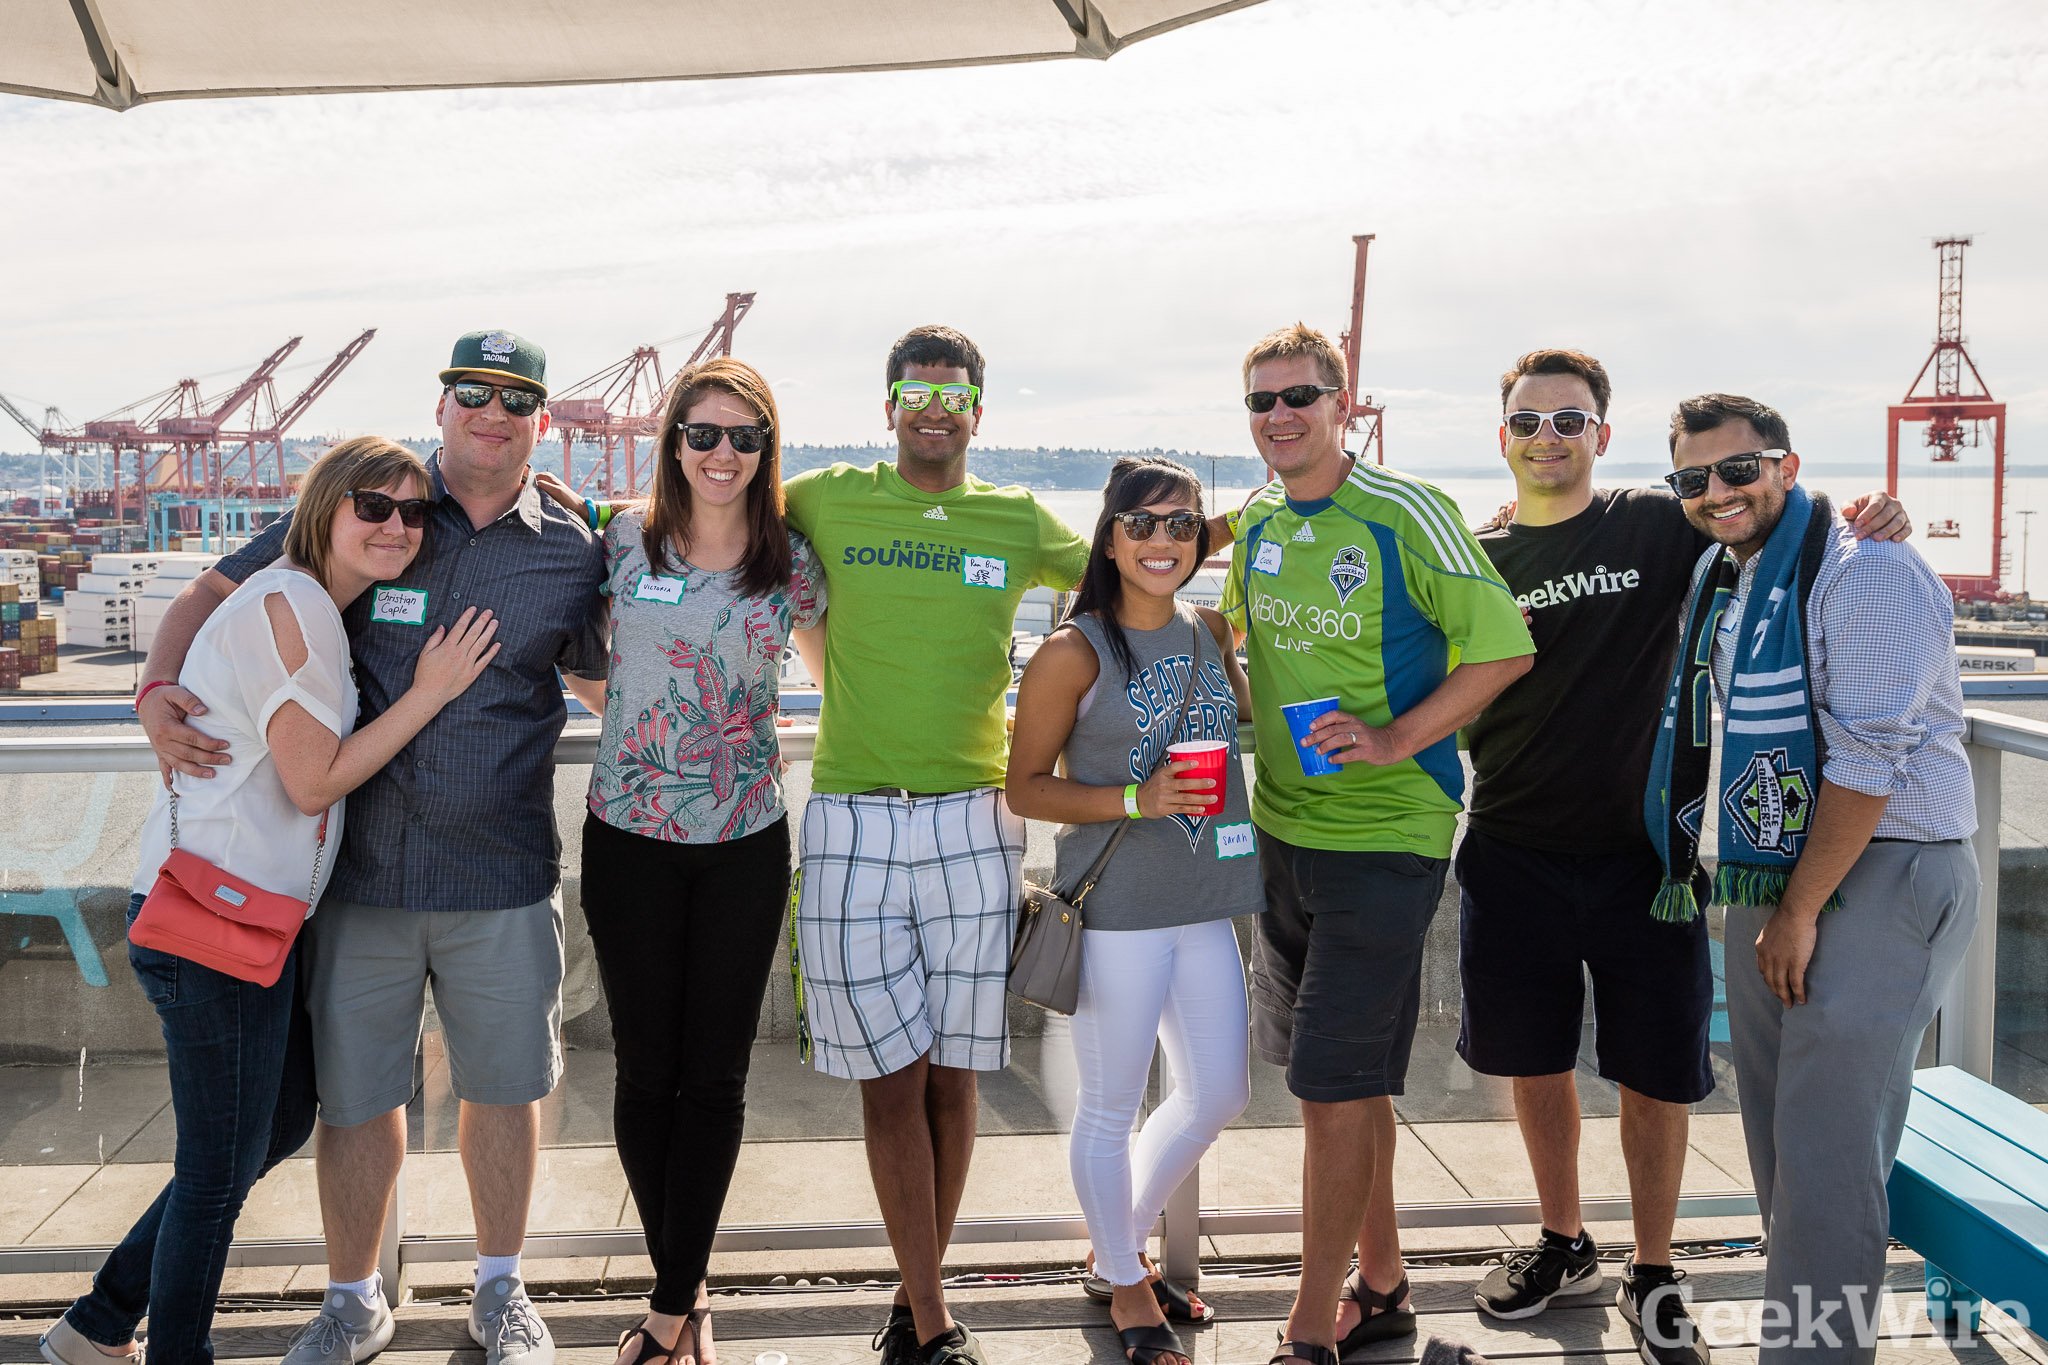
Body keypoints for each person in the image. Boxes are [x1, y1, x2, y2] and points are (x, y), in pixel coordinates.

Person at [136, 331, 609, 1365]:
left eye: (515, 398)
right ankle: (353, 1301)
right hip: (359, 878)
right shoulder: (379, 507)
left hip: (501, 872)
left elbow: (605, 678)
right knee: (355, 1101)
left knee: (505, 1090)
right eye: (473, 391)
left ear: (542, 420)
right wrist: (153, 689)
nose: (493, 413)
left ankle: (500, 1291)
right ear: (441, 405)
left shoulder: (572, 548)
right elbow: (211, 594)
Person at [1458, 351, 1908, 1364]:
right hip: (1511, 846)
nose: (1547, 437)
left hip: (1650, 858)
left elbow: (1765, 508)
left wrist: (1868, 511)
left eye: (1569, 420)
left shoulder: (1657, 521)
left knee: (1654, 1070)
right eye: (1527, 421)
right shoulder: (1475, 555)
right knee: (1532, 1061)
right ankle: (1563, 1241)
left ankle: (1654, 1268)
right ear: (1503, 436)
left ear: (1601, 435)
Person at [39, 439, 498, 1365]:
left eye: (414, 511)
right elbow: (312, 780)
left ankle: (96, 1323)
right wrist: (429, 693)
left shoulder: (305, 602)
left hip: (252, 921)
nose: (397, 525)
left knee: (278, 1123)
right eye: (373, 505)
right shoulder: (294, 607)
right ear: (325, 507)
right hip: (212, 926)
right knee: (214, 1172)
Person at [1215, 324, 1536, 1365]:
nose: (1280, 415)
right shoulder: (1258, 519)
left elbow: (1504, 648)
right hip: (1281, 829)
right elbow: (1242, 647)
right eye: (1261, 400)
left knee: (1325, 1090)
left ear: (1342, 403)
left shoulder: (1405, 510)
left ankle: (1311, 1325)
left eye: (1299, 396)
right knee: (1349, 1083)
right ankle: (1384, 1283)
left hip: (1390, 835)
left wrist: (1396, 738)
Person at [784, 325, 1089, 1365]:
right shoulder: (825, 497)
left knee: (956, 1077)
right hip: (853, 817)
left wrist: (1242, 534)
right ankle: (928, 1315)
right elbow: (709, 499)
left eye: (952, 396)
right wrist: (580, 509)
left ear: (976, 413)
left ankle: (921, 1307)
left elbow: (1142, 559)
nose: (932, 411)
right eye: (915, 394)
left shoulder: (1015, 518)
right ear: (887, 408)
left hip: (974, 820)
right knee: (889, 1078)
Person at [1651, 394, 1975, 1365]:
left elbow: (1868, 761)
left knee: (1826, 1158)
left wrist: (1794, 912)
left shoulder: (1865, 568)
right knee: (1781, 1148)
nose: (1716, 491)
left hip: (1880, 869)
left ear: (1786, 468)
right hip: (1776, 868)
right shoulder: (1727, 573)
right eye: (1693, 477)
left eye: (1738, 469)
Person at [576, 359, 825, 1365]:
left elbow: (834, 672)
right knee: (645, 1073)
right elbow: (584, 661)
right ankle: (683, 1296)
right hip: (627, 837)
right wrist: (651, 726)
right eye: (704, 433)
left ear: (767, 450)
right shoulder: (618, 541)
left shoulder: (790, 561)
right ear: (673, 441)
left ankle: (671, 1307)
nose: (723, 453)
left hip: (742, 844)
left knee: (715, 1080)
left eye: (744, 437)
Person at [1007, 456, 1257, 1365]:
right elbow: (1025, 786)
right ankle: (1124, 1278)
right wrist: (1134, 799)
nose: (1162, 540)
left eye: (1182, 524)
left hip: (1207, 900)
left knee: (1219, 1092)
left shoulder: (1209, 630)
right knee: (1110, 1106)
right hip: (1117, 912)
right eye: (1141, 524)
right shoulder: (1072, 652)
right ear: (1108, 538)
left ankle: (1117, 1242)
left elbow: (1248, 720)